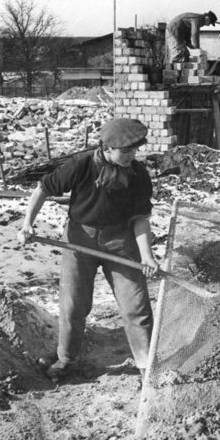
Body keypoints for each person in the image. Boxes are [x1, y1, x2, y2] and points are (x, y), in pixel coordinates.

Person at [17, 118, 160, 381]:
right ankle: (66, 360)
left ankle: (145, 366)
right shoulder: (81, 165)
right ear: (107, 148)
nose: (132, 155)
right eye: (126, 150)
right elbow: (43, 189)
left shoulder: (138, 174)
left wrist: (147, 256)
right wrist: (28, 223)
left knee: (135, 305)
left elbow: (140, 219)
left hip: (120, 241)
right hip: (78, 239)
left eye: (134, 150)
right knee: (73, 304)